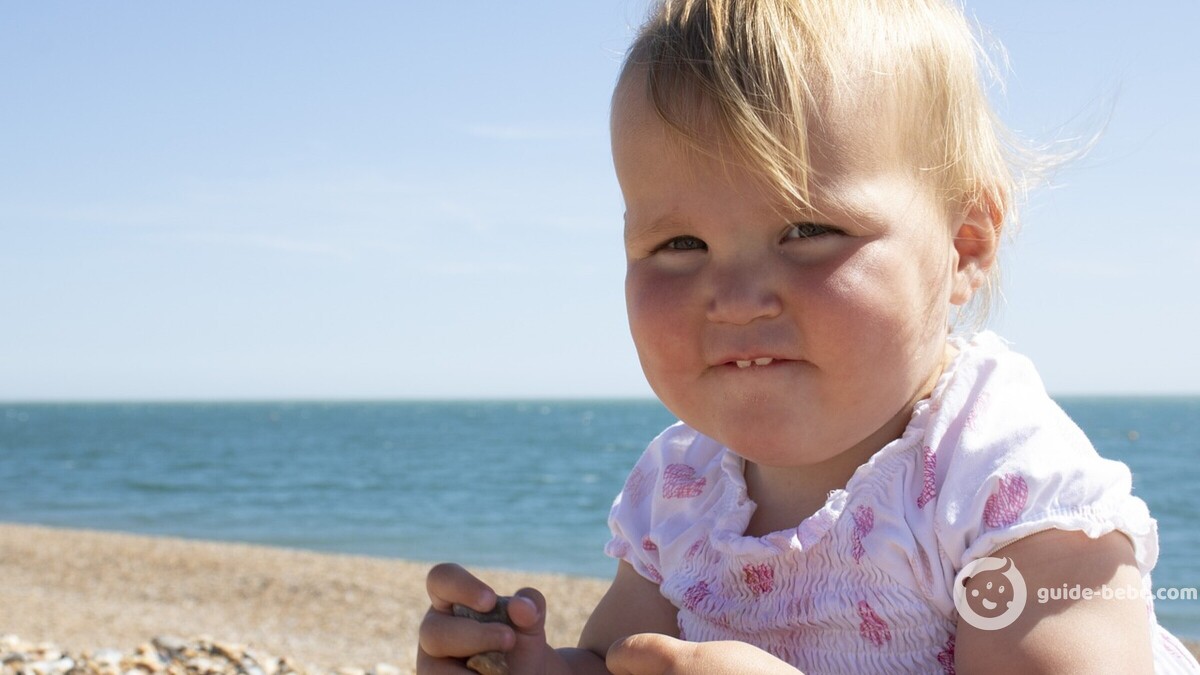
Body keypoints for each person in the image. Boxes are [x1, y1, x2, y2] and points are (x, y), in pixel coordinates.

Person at [418, 0, 1200, 672]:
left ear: (962, 245)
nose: (735, 297)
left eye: (807, 229)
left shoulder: (1007, 487)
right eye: (678, 245)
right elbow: (626, 657)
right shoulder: (681, 491)